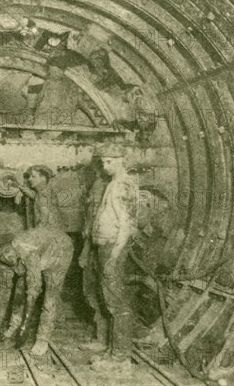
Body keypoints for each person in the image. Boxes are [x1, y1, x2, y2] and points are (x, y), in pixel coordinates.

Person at [0, 226, 74, 357]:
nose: (8, 257)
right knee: (20, 287)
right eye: (2, 256)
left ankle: (42, 339)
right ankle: (13, 326)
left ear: (11, 246)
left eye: (7, 252)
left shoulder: (26, 250)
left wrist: (25, 326)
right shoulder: (4, 260)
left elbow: (34, 290)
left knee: (50, 296)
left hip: (59, 249)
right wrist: (1, 326)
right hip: (40, 250)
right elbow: (5, 291)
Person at [90, 144, 140, 357]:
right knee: (110, 299)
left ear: (122, 160)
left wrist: (113, 256)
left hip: (113, 248)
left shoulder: (122, 185)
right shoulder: (114, 183)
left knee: (116, 303)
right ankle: (114, 350)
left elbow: (127, 226)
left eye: (109, 161)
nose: (105, 166)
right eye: (103, 162)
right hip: (106, 247)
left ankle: (120, 357)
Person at [78, 154, 111, 352]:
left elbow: (95, 224)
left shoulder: (101, 186)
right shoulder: (100, 185)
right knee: (95, 291)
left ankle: (103, 338)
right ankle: (101, 334)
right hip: (95, 246)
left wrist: (85, 251)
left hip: (96, 248)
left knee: (96, 291)